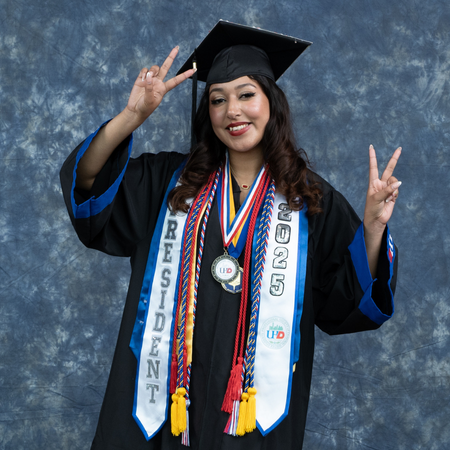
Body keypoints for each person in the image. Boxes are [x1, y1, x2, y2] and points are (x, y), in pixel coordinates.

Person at [60, 21, 400, 450]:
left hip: (250, 420)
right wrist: (132, 118)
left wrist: (372, 227)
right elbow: (88, 187)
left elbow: (348, 301)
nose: (232, 111)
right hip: (161, 412)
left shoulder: (310, 200)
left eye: (246, 95)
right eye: (218, 100)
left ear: (271, 104)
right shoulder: (169, 183)